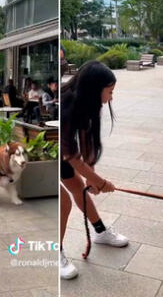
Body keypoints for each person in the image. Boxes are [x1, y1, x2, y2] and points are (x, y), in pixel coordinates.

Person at [59, 60, 128, 280]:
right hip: (44, 152)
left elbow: (87, 142)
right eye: (109, 91)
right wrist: (99, 182)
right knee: (64, 202)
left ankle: (100, 232)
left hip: (60, 152)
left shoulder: (88, 103)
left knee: (79, 188)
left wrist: (91, 178)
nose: (111, 97)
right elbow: (71, 156)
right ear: (94, 88)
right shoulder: (66, 105)